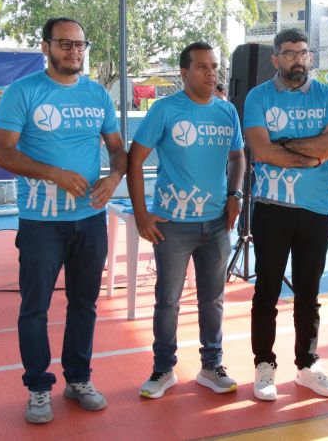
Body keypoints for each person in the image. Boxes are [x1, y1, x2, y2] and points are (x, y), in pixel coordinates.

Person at [0, 18, 127, 424]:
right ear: (45, 46)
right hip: (41, 222)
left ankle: (79, 379)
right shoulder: (23, 91)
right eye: (65, 44)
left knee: (84, 304)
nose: (74, 51)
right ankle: (37, 387)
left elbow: (117, 149)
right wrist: (53, 173)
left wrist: (113, 178)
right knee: (35, 308)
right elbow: (0, 152)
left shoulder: (97, 94)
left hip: (90, 219)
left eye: (80, 44)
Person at [126, 42, 245, 399]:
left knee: (213, 300)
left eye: (214, 66)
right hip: (173, 224)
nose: (211, 73)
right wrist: (141, 213)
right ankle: (163, 369)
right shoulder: (165, 110)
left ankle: (211, 366)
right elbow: (134, 160)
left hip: (216, 224)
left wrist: (235, 195)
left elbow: (237, 157)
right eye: (202, 67)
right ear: (184, 73)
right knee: (168, 301)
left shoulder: (226, 111)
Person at [243, 28, 328, 401]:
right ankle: (264, 365)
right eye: (289, 53)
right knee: (266, 292)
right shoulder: (258, 96)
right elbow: (261, 150)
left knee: (308, 294)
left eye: (302, 53)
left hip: (316, 211)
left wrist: (284, 144)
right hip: (272, 209)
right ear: (276, 59)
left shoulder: (327, 95)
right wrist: (310, 156)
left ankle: (307, 365)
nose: (297, 59)